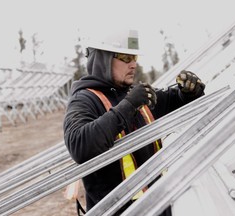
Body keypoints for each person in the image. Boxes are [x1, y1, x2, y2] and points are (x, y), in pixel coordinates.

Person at [63, 28, 205, 216]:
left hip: (156, 204)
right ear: (103, 59)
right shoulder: (85, 99)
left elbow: (172, 103)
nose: (133, 64)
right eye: (125, 57)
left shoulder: (131, 93)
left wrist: (188, 93)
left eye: (135, 58)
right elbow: (80, 145)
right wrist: (128, 106)